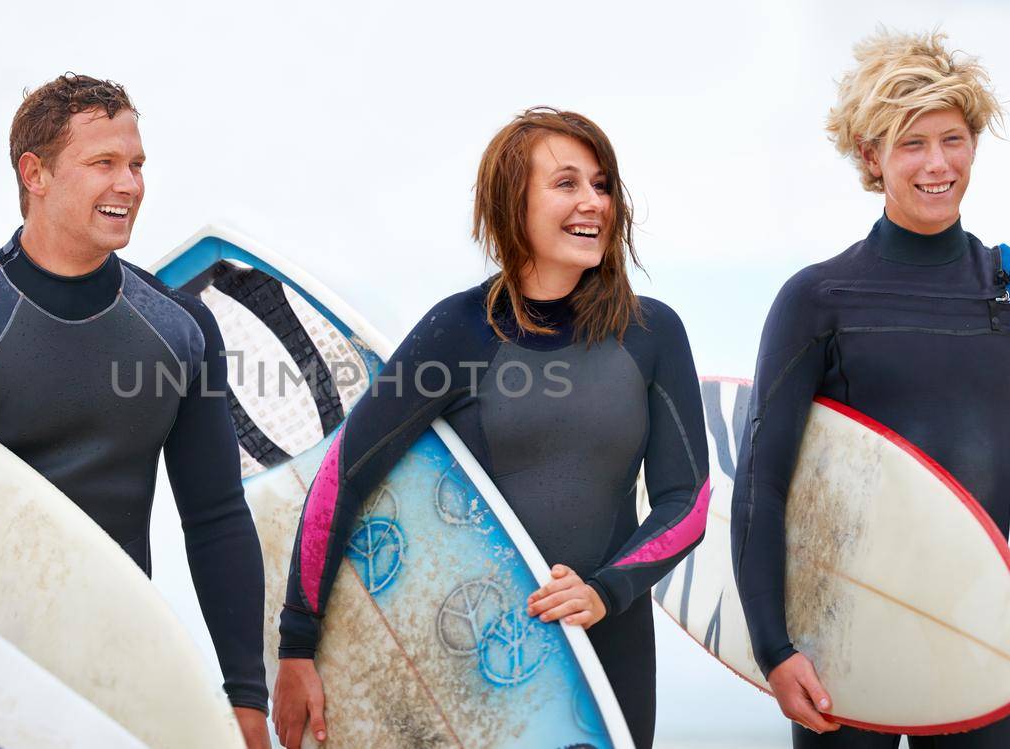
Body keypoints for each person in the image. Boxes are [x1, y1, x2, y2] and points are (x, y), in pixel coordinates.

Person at [271, 107, 710, 749]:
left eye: (602, 184)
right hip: (476, 661)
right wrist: (297, 645)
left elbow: (688, 501)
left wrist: (604, 592)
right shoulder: (461, 330)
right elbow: (345, 475)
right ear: (512, 203)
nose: (593, 202)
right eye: (566, 183)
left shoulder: (651, 333)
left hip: (608, 656)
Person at [0, 73, 270, 747]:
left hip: (108, 680)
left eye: (137, 164)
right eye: (104, 164)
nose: (129, 184)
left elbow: (213, 516)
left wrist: (244, 694)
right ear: (36, 173)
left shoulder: (180, 329)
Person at [731, 29, 1010, 748]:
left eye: (952, 139)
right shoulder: (817, 299)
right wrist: (774, 649)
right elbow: (761, 483)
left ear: (974, 145)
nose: (936, 164)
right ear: (871, 155)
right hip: (841, 653)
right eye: (910, 142)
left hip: (974, 648)